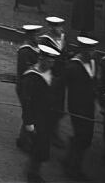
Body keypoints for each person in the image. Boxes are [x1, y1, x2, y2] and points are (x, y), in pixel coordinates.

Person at [21, 43, 61, 183]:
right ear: (41, 59)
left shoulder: (50, 74)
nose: (51, 64)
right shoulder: (31, 76)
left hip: (47, 117)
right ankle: (32, 174)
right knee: (38, 146)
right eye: (49, 61)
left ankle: (33, 170)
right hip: (36, 118)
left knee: (43, 146)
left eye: (53, 61)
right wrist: (28, 122)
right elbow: (26, 102)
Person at [63, 36, 98, 180]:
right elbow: (61, 84)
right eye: (90, 50)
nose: (93, 52)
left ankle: (68, 159)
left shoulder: (93, 63)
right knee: (82, 136)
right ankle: (73, 168)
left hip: (89, 106)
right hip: (77, 107)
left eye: (94, 49)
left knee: (86, 137)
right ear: (83, 50)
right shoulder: (73, 66)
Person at [38, 16, 67, 148]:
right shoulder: (45, 40)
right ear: (51, 27)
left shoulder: (63, 39)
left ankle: (54, 132)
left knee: (58, 107)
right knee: (45, 106)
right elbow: (43, 60)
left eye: (61, 26)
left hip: (60, 78)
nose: (61, 29)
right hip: (49, 77)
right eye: (58, 27)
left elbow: (66, 54)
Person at [15, 25, 43, 152]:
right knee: (28, 113)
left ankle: (23, 139)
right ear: (30, 36)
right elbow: (24, 72)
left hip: (32, 86)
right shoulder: (25, 51)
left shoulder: (35, 48)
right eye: (36, 35)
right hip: (25, 87)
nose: (39, 37)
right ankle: (23, 140)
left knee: (29, 113)